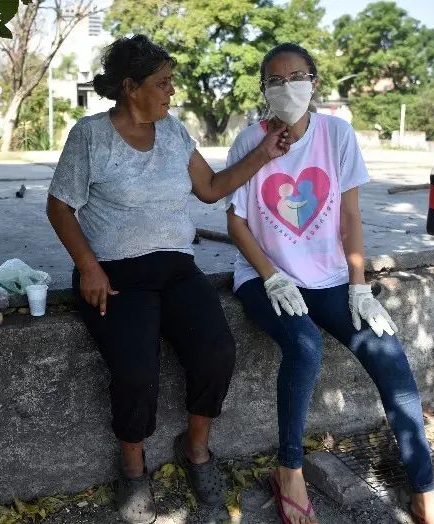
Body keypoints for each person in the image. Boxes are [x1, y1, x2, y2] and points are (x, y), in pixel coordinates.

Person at [46, 35, 291, 524]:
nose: (171, 91)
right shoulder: (90, 135)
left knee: (217, 351)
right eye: (162, 83)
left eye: (171, 82)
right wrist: (89, 266)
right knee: (136, 372)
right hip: (114, 272)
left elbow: (211, 188)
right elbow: (59, 206)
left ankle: (196, 449)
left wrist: (263, 153)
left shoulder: (175, 133)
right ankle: (133, 465)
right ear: (130, 87)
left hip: (176, 267)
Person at [225, 43, 434, 524]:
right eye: (275, 80)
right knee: (304, 347)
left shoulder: (337, 134)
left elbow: (350, 216)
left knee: (388, 352)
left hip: (329, 278)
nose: (288, 88)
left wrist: (358, 285)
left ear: (316, 82)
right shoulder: (250, 141)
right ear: (265, 89)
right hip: (266, 277)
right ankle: (289, 470)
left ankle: (424, 490)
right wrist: (271, 276)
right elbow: (236, 224)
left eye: (297, 77)